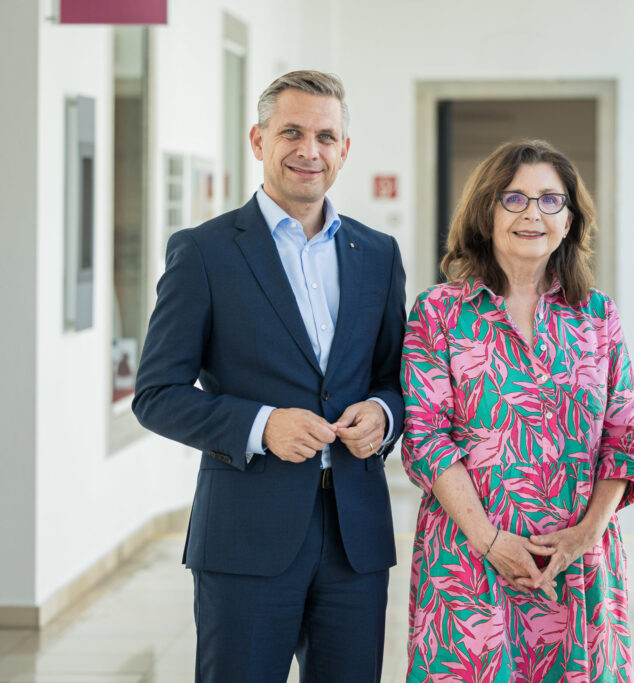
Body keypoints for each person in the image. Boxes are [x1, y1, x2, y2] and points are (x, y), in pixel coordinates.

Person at [132, 70, 406, 682]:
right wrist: (262, 425)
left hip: (355, 542)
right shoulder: (203, 252)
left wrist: (383, 416)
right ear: (258, 141)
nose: (310, 150)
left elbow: (394, 378)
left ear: (344, 150)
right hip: (244, 537)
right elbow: (155, 394)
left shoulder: (379, 254)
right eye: (292, 132)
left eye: (326, 136)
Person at [401, 139, 634, 680]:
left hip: (578, 561)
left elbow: (625, 438)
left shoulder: (598, 316)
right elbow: (425, 437)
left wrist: (586, 534)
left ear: (569, 220)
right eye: (514, 199)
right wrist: (490, 542)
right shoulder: (438, 312)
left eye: (550, 200)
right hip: (468, 560)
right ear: (486, 212)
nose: (533, 213)